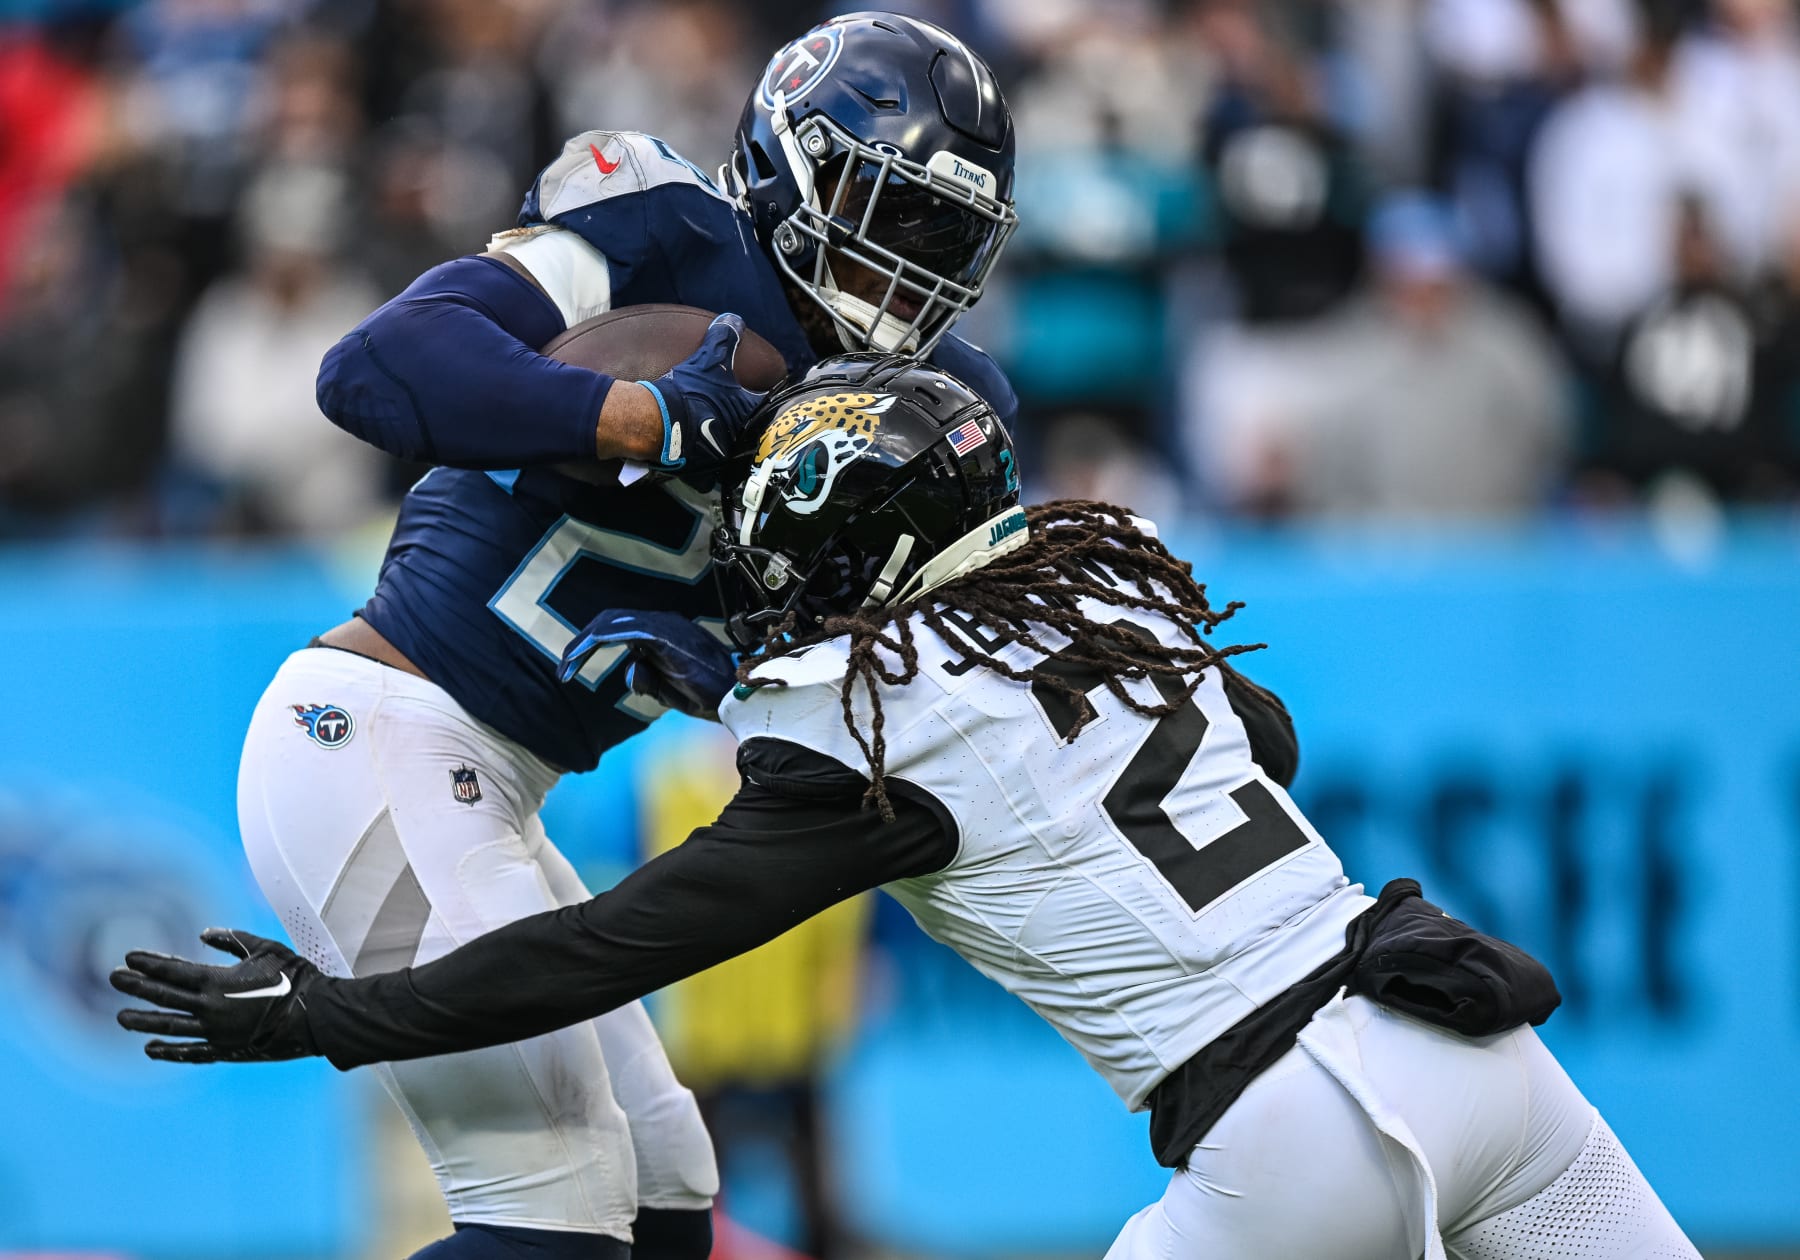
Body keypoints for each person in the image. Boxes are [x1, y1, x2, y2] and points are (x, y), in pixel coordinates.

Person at [115, 354, 1699, 1260]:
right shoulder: (1112, 597)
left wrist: (335, 1011)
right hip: (1466, 1035)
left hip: (1289, 1140)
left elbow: (610, 946)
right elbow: (1252, 742)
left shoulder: (866, 743)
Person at [232, 12, 1020, 1260]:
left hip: (499, 779)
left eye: (944, 237)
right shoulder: (666, 234)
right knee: (554, 1210)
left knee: (669, 1201)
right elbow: (375, 368)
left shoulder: (942, 406)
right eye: (888, 212)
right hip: (377, 734)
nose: (907, 270)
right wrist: (638, 418)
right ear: (793, 163)